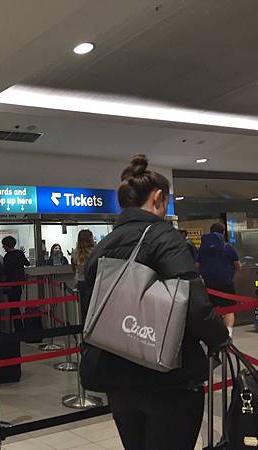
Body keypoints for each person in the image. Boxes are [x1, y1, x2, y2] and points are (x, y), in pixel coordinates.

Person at [80, 155, 229, 450]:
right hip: (168, 379)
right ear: (158, 197)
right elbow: (193, 302)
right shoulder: (165, 237)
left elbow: (91, 310)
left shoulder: (103, 246)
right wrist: (220, 337)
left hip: (117, 378)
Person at [197, 222, 240, 336]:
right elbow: (237, 265)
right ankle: (228, 333)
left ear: (210, 232)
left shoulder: (203, 249)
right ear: (223, 232)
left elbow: (197, 265)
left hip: (208, 285)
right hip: (226, 284)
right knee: (229, 309)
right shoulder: (228, 247)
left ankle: (212, 334)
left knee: (210, 309)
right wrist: (231, 276)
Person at [2, 236, 30, 332]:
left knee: (13, 307)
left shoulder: (7, 257)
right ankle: (19, 328)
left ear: (6, 245)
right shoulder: (19, 253)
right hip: (19, 283)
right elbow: (27, 263)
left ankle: (18, 328)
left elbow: (5, 271)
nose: (3, 247)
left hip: (10, 284)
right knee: (16, 305)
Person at [71, 230, 94, 300]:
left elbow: (73, 269)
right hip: (92, 283)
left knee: (82, 304)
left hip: (80, 283)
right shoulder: (94, 252)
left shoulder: (74, 253)